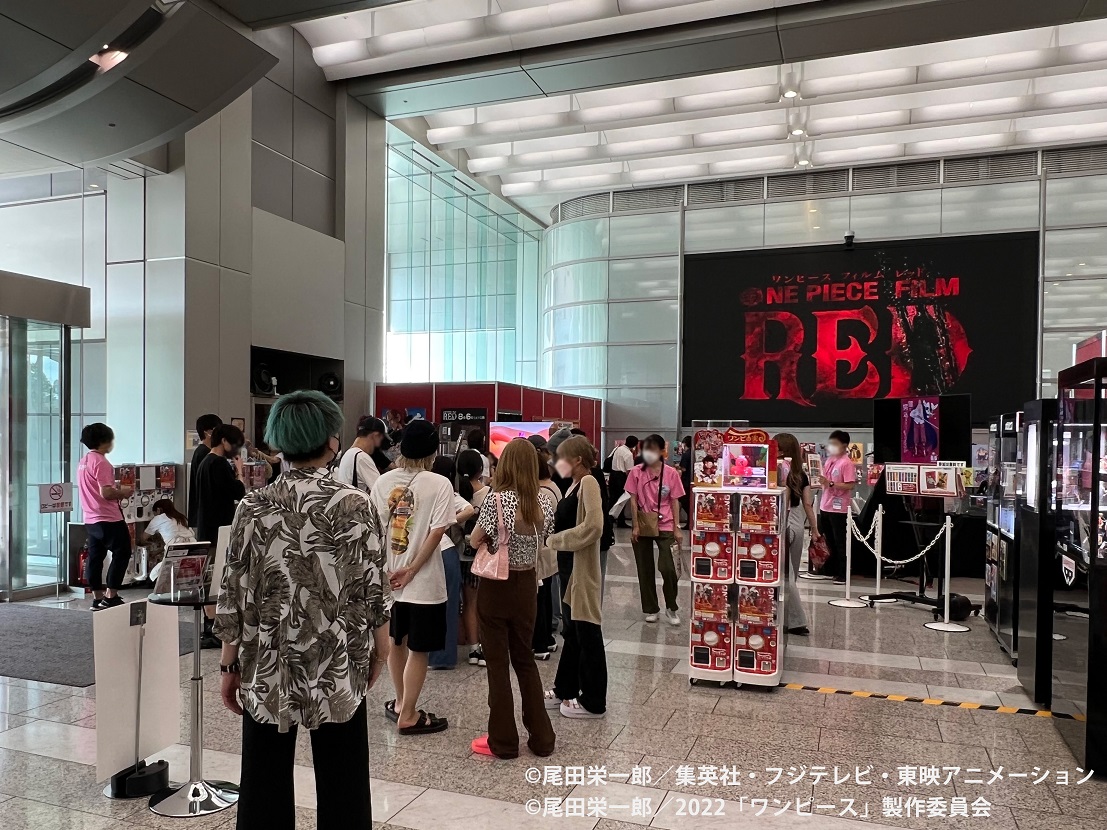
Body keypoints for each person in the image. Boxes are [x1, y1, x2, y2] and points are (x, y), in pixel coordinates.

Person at [215, 391, 390, 830]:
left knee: (263, 779)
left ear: (278, 442)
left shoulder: (252, 506)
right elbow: (374, 588)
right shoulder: (357, 504)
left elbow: (234, 591)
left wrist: (228, 664)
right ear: (332, 440)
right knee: (345, 778)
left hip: (268, 660)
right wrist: (380, 651)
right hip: (339, 658)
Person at [468, 439, 557, 758]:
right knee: (525, 660)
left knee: (497, 664)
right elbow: (544, 537)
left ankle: (504, 741)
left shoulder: (496, 499)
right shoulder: (543, 501)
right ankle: (542, 738)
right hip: (527, 586)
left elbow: (476, 538)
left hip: (496, 586)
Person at [370, 419, 455, 735]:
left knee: (397, 642)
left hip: (388, 580)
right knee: (420, 649)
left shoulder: (383, 482)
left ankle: (400, 703)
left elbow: (373, 530)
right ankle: (408, 713)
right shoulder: (439, 483)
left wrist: (386, 569)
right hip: (424, 583)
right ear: (433, 451)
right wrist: (413, 570)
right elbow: (437, 532)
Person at [545, 436, 607, 719]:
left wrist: (556, 540)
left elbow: (594, 526)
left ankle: (594, 701)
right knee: (572, 631)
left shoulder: (589, 482)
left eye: (562, 457)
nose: (557, 462)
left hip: (581, 567)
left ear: (578, 459)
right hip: (568, 566)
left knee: (587, 630)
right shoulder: (572, 485)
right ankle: (565, 688)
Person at [195, 423, 247, 648]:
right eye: (234, 444)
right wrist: (240, 472)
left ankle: (209, 623)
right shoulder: (218, 464)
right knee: (216, 578)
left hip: (206, 527)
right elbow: (238, 491)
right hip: (219, 528)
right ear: (224, 441)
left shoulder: (205, 462)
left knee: (210, 577)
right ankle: (213, 626)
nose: (235, 450)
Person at [625, 434, 685, 626]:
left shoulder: (671, 473)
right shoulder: (636, 472)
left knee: (669, 568)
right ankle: (651, 608)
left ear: (661, 451)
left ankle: (671, 607)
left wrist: (677, 527)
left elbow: (675, 501)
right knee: (645, 568)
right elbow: (633, 500)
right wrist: (635, 525)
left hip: (665, 524)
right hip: (643, 523)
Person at [77, 423, 133, 610]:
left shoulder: (83, 461)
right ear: (104, 441)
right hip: (108, 518)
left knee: (95, 557)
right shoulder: (101, 462)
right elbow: (106, 493)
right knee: (122, 552)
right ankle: (111, 595)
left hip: (90, 518)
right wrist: (124, 492)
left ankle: (97, 598)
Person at [428, 455, 476, 670]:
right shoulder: (447, 492)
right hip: (447, 551)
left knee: (427, 605)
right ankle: (444, 657)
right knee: (448, 606)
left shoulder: (425, 490)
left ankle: (427, 655)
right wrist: (448, 522)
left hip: (429, 551)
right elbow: (469, 509)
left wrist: (444, 522)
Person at [773, 433, 821, 636]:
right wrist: (815, 530)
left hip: (782, 521)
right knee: (791, 573)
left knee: (786, 574)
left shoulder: (774, 470)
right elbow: (808, 504)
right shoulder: (801, 474)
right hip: (798, 522)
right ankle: (785, 616)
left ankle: (796, 621)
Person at [455, 449, 489, 665]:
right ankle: (481, 648)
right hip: (481, 557)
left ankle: (470, 646)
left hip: (458, 555)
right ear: (481, 469)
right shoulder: (489, 494)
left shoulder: (455, 494)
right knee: (479, 603)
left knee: (465, 603)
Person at [819, 429, 857, 585]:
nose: (832, 446)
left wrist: (831, 483)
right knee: (828, 540)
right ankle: (831, 569)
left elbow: (850, 485)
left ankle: (843, 571)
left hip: (839, 508)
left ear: (844, 445)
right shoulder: (830, 460)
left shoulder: (846, 463)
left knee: (840, 541)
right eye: (831, 443)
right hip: (825, 504)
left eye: (835, 444)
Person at [533, 446, 561, 660]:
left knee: (539, 599)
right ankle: (548, 640)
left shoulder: (541, 493)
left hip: (540, 552)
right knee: (546, 597)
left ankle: (540, 642)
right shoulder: (553, 487)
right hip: (550, 551)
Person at [336, 415, 388, 493]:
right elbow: (381, 490)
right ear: (375, 435)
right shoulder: (361, 457)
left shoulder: (348, 454)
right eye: (381, 439)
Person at [187, 414, 222, 529]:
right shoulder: (205, 454)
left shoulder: (201, 451)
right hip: (207, 514)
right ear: (208, 432)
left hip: (203, 513)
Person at [609, 435, 637, 527]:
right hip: (621, 477)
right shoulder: (628, 454)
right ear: (634, 445)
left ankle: (609, 520)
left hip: (613, 475)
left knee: (612, 499)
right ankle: (620, 521)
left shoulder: (618, 449)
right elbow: (629, 470)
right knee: (622, 499)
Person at [678, 435, 693, 527]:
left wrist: (677, 467)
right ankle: (690, 521)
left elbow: (683, 468)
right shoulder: (694, 453)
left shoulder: (686, 454)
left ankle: (690, 520)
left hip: (686, 481)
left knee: (684, 501)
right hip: (692, 481)